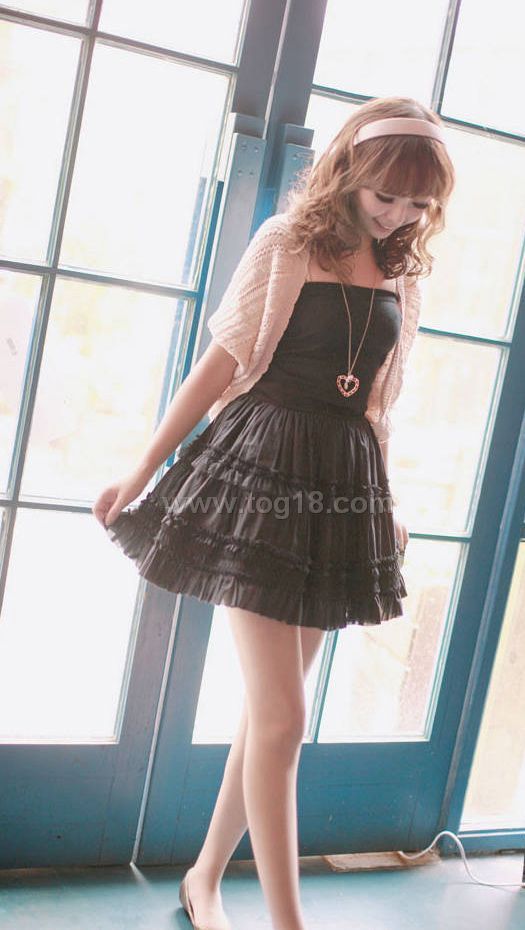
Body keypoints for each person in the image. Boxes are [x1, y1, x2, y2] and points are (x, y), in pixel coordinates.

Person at [92, 95, 455, 930]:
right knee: (285, 719)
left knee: (271, 715)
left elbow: (375, 405)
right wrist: (141, 469)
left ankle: (204, 879)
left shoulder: (401, 272)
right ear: (349, 168)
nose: (396, 214)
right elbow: (220, 365)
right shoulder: (287, 243)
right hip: (260, 477)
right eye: (385, 195)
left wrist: (384, 502)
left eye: (415, 204)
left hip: (340, 487)